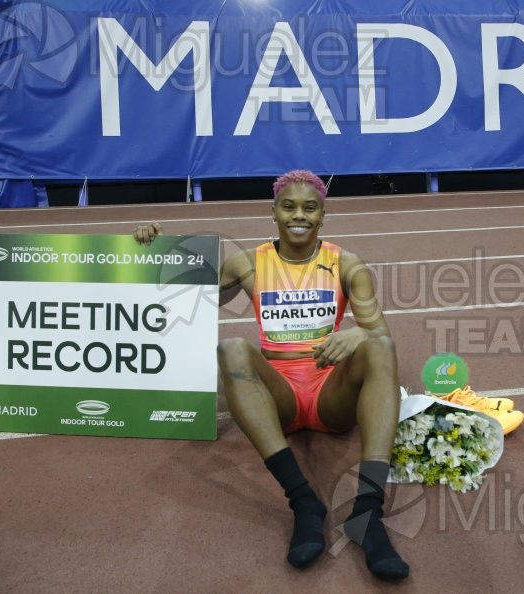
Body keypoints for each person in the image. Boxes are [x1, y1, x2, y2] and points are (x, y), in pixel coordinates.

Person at [133, 170, 410, 581]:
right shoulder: (247, 263)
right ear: (274, 212)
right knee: (232, 348)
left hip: (329, 394)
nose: (299, 215)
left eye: (310, 208)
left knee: (380, 347)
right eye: (289, 206)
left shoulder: (347, 264)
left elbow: (381, 335)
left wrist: (358, 334)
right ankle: (304, 502)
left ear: (322, 216)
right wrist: (154, 252)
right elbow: (181, 296)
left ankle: (368, 513)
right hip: (277, 395)